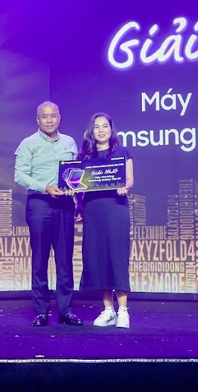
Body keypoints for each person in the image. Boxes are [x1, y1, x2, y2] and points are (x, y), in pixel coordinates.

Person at [14, 101, 82, 326]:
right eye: (45, 116)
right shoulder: (28, 144)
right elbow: (20, 176)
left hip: (65, 205)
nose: (49, 120)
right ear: (38, 120)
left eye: (53, 116)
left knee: (65, 260)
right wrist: (45, 187)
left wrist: (75, 190)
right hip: (39, 204)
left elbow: (76, 173)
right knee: (40, 260)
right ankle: (41, 311)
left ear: (59, 118)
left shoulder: (69, 142)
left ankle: (66, 310)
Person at [76, 112, 134, 328]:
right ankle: (108, 310)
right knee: (98, 257)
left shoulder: (122, 151)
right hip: (93, 210)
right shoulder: (84, 156)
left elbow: (130, 178)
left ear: (111, 129)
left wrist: (125, 186)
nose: (101, 130)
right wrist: (76, 199)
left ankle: (123, 311)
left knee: (117, 256)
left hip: (116, 207)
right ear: (91, 131)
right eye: (97, 127)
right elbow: (77, 184)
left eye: (105, 126)